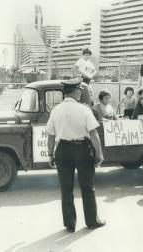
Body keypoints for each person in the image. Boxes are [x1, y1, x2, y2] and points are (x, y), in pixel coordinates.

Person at [46, 77, 105, 232]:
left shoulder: (55, 110)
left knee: (66, 189)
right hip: (82, 149)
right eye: (79, 90)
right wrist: (99, 154)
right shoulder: (84, 109)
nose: (80, 93)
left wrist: (50, 155)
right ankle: (92, 221)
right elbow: (93, 133)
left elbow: (51, 136)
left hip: (62, 150)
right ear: (74, 91)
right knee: (87, 187)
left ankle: (70, 223)